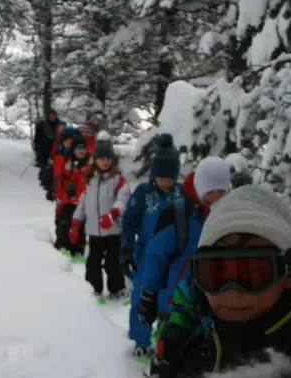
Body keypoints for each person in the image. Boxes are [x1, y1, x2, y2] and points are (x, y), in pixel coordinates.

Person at [156, 185, 291, 377]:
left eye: (253, 273)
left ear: (288, 276)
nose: (231, 292)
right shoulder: (199, 354)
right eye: (216, 272)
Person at [137, 157, 232, 327]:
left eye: (221, 191)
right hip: (175, 302)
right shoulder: (180, 214)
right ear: (200, 189)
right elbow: (156, 255)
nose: (217, 198)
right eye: (211, 192)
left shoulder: (230, 215)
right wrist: (149, 293)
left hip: (216, 303)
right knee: (172, 345)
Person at [120, 133, 184, 360]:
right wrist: (126, 247)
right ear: (154, 173)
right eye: (162, 176)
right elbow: (129, 221)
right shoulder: (143, 193)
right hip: (146, 254)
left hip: (173, 258)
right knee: (142, 298)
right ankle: (141, 339)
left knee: (170, 300)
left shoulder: (181, 194)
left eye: (170, 176)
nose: (166, 180)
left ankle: (166, 339)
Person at [70, 132, 131, 301]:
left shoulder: (117, 180)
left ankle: (117, 289)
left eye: (107, 158)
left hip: (112, 231)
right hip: (94, 232)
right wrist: (75, 222)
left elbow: (123, 200)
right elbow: (82, 203)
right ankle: (92, 290)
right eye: (101, 158)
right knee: (92, 264)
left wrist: (113, 214)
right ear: (95, 159)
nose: (104, 161)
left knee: (113, 264)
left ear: (112, 160)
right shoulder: (90, 180)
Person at [54, 134, 90, 261]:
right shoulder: (67, 164)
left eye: (83, 148)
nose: (81, 151)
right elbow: (60, 181)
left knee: (81, 226)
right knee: (65, 223)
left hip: (83, 202)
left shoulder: (89, 165)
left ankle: (78, 250)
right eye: (78, 148)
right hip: (67, 201)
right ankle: (63, 245)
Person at [34, 109, 63, 199]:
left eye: (54, 115)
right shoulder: (42, 126)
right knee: (44, 168)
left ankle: (51, 186)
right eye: (51, 115)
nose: (52, 117)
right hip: (44, 151)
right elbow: (37, 140)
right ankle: (43, 185)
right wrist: (39, 150)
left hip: (56, 151)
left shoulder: (60, 125)